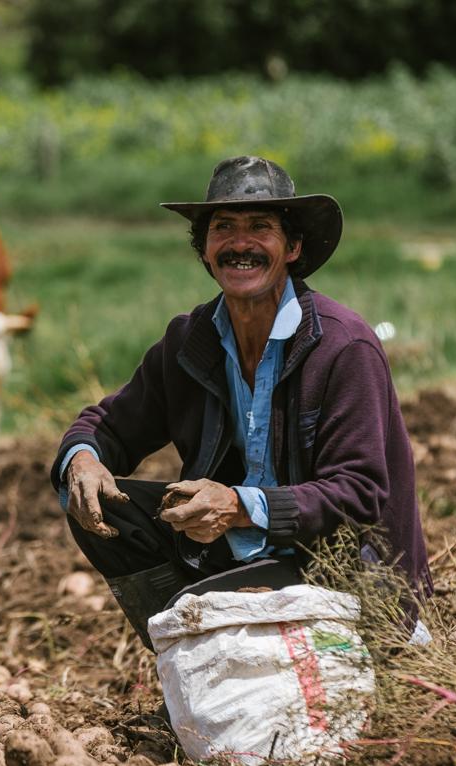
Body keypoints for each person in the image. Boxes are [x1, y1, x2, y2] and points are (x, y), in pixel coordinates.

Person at [50, 155, 432, 652]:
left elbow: (358, 494)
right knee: (101, 505)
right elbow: (109, 426)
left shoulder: (342, 347)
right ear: (205, 251)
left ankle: (372, 646)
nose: (240, 244)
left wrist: (238, 506)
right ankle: (186, 652)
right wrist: (82, 458)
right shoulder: (190, 340)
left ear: (293, 247)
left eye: (260, 228)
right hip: (235, 558)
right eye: (223, 228)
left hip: (344, 566)